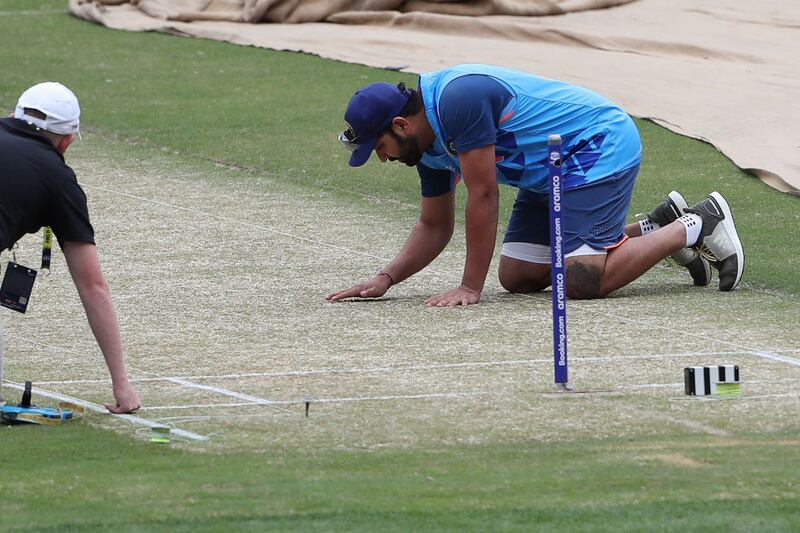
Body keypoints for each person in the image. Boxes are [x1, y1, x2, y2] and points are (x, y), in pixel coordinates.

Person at [327, 64, 744, 306]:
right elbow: (435, 225)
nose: (382, 158)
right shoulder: (424, 146)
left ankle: (694, 224)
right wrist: (387, 278)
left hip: (596, 145)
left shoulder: (458, 101)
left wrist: (471, 287)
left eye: (379, 147)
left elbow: (485, 195)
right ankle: (654, 225)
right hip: (548, 174)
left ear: (400, 125)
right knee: (518, 276)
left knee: (580, 281)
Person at [0, 82, 140, 413]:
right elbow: (93, 288)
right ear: (67, 140)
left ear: (13, 115)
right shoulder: (58, 181)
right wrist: (121, 382)